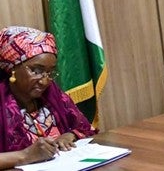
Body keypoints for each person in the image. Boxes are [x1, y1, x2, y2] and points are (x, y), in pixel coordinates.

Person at [0, 26, 97, 169]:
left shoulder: (52, 94)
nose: (45, 81)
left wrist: (69, 136)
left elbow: (83, 127)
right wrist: (25, 155)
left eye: (50, 73)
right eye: (36, 70)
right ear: (12, 68)